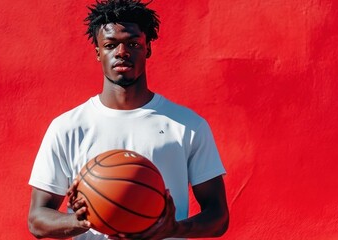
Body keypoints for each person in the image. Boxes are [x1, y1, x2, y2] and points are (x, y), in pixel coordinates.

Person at [27, 0, 229, 239]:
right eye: (111, 45)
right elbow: (37, 219)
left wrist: (175, 228)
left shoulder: (187, 125)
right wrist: (80, 220)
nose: (122, 53)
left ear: (148, 49)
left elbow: (219, 216)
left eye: (133, 43)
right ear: (98, 52)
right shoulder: (68, 127)